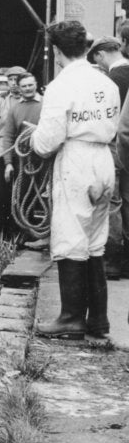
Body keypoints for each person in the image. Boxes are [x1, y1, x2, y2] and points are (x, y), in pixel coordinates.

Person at [31, 21, 119, 341]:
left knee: (70, 235)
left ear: (56, 51)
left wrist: (32, 141)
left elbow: (46, 142)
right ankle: (98, 319)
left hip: (77, 161)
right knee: (95, 240)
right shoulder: (105, 82)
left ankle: (70, 318)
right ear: (85, 47)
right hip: (103, 160)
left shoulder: (60, 86)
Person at [87, 35, 129, 278]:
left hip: (117, 147)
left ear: (101, 55)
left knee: (112, 204)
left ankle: (112, 260)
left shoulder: (114, 79)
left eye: (98, 61)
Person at [0, 73, 44, 244]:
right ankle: (23, 236)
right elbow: (8, 137)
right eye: (24, 86)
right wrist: (8, 164)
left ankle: (42, 235)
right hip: (22, 159)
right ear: (19, 88)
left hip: (43, 158)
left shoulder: (46, 104)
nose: (28, 88)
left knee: (42, 197)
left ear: (36, 84)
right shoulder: (15, 109)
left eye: (30, 85)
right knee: (22, 197)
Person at [0, 66, 26, 235]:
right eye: (10, 80)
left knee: (21, 194)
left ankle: (19, 233)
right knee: (1, 194)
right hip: (2, 151)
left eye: (17, 80)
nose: (14, 84)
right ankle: (0, 233)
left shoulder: (29, 101)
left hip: (23, 153)